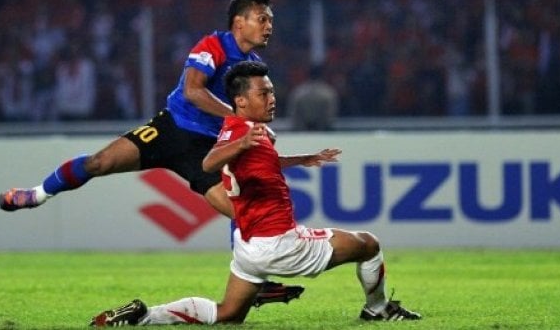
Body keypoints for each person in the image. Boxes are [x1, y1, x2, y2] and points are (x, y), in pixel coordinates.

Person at [0, 0, 302, 306]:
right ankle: (35, 194)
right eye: (262, 19)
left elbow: (250, 114)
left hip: (205, 151)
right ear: (239, 23)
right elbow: (193, 91)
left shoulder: (254, 66)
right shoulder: (212, 46)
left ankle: (256, 282)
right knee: (99, 162)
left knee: (241, 211)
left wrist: (256, 128)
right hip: (170, 130)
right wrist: (242, 119)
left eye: (271, 20)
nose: (269, 26)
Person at [89, 61, 421, 326]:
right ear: (241, 101)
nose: (272, 98)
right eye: (264, 94)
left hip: (250, 246)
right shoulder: (241, 132)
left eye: (272, 92)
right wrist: (240, 144)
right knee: (369, 244)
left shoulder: (245, 130)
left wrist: (302, 159)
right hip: (280, 243)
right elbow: (208, 163)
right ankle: (378, 310)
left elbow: (258, 162)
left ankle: (144, 315)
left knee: (227, 314)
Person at [287, 64, 338, 131]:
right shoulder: (328, 93)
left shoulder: (298, 92)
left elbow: (293, 115)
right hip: (322, 132)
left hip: (302, 133)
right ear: (322, 75)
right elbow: (330, 116)